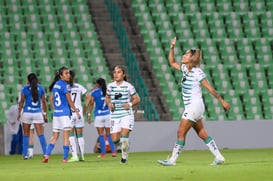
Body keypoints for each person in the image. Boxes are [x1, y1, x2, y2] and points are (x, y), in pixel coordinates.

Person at [157, 37, 231, 166]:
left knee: (181, 132)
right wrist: (171, 48)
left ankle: (172, 160)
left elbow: (210, 89)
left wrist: (222, 101)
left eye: (186, 54)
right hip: (195, 107)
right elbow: (172, 62)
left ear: (191, 58)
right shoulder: (185, 69)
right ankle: (219, 157)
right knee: (202, 133)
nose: (184, 55)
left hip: (194, 106)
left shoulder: (198, 72)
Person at [42, 66, 81, 163]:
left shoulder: (55, 85)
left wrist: (56, 109)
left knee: (54, 136)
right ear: (61, 76)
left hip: (57, 114)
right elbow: (70, 101)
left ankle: (47, 154)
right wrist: (76, 111)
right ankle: (65, 158)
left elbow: (51, 99)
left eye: (69, 73)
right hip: (65, 114)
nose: (69, 75)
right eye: (66, 73)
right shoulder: (66, 85)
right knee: (66, 136)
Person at [105, 65, 140, 164]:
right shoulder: (110, 86)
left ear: (123, 74)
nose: (116, 74)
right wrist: (109, 104)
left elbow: (137, 99)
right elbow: (107, 97)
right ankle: (126, 143)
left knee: (124, 136)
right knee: (115, 140)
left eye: (119, 72)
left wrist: (129, 104)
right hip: (114, 115)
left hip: (126, 114)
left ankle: (124, 158)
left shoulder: (129, 86)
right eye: (115, 72)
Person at [17, 73, 48, 160]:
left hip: (27, 113)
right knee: (41, 134)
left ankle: (25, 155)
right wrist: (45, 114)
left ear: (28, 80)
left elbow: (22, 102)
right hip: (38, 113)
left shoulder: (25, 88)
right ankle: (46, 154)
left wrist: (19, 113)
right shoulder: (41, 88)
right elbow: (44, 102)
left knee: (26, 134)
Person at [84, 78, 116, 158]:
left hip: (99, 115)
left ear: (98, 84)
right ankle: (114, 152)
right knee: (109, 135)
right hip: (108, 115)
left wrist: (88, 115)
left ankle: (103, 153)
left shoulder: (94, 92)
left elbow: (91, 104)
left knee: (101, 135)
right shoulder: (108, 91)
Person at [67, 70, 87, 162]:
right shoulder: (79, 86)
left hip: (70, 113)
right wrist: (85, 109)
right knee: (80, 135)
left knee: (70, 135)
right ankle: (82, 155)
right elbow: (89, 98)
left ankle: (74, 156)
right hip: (79, 113)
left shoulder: (65, 87)